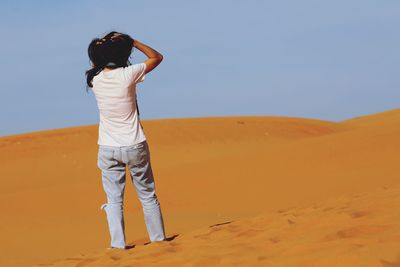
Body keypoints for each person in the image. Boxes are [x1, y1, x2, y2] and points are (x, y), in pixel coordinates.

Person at [85, 31, 166, 249]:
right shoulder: (129, 74)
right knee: (147, 195)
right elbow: (157, 57)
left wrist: (105, 47)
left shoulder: (94, 79)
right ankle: (158, 241)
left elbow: (95, 63)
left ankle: (118, 245)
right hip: (134, 144)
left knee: (114, 200)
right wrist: (134, 42)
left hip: (108, 147)